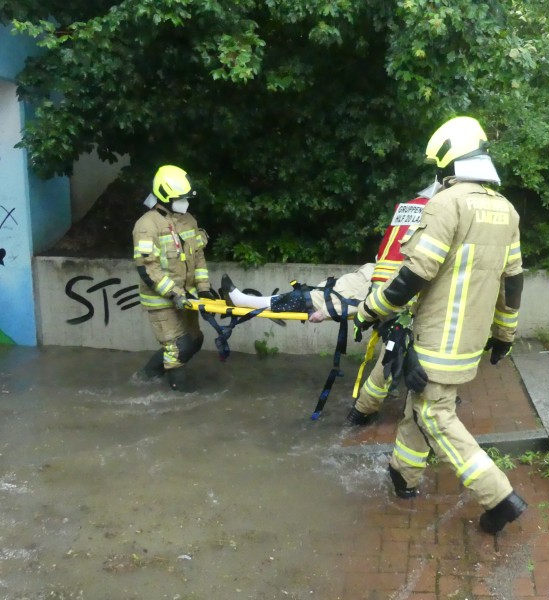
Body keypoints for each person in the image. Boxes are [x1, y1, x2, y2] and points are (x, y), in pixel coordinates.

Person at [352, 116, 527, 535]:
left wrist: (370, 310)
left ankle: (499, 497)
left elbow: (415, 273)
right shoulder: (506, 211)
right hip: (468, 342)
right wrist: (505, 335)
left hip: (436, 341)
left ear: (449, 161)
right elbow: (514, 280)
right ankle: (403, 475)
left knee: (435, 415)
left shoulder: (446, 204)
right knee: (420, 406)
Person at [345, 194, 430, 426]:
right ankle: (362, 410)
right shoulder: (436, 214)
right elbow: (418, 269)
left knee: (392, 347)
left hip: (380, 289)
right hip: (398, 296)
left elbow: (383, 257)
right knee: (393, 352)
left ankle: (371, 404)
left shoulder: (405, 210)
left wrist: (369, 310)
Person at [132, 165, 215, 392]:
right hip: (162, 299)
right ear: (165, 196)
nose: (184, 203)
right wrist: (174, 293)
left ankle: (146, 377)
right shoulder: (146, 226)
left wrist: (204, 289)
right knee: (177, 348)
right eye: (180, 198)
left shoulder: (188, 220)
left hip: (187, 296)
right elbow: (149, 269)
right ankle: (181, 400)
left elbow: (198, 257)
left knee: (194, 340)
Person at [219, 263, 375, 323]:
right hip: (319, 294)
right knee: (281, 299)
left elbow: (360, 302)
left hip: (319, 303)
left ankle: (239, 300)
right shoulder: (377, 266)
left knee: (279, 301)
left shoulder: (382, 277)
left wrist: (325, 312)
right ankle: (240, 299)